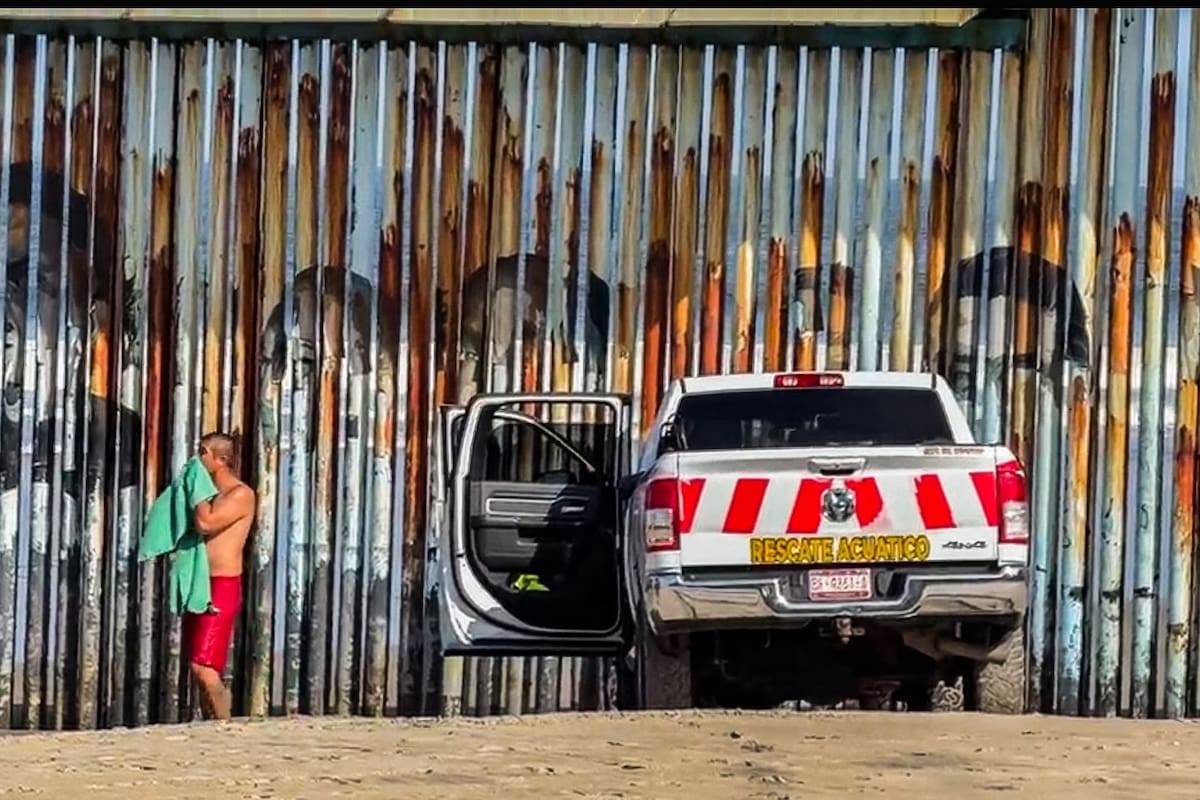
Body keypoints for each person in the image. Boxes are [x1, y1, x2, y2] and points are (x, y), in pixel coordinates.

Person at [187, 431, 256, 721]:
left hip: (222, 585)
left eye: (202, 452)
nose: (197, 459)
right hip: (199, 583)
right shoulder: (210, 496)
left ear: (221, 459)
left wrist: (196, 491)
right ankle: (212, 724)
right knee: (198, 664)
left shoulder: (240, 494)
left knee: (204, 666)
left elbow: (206, 523)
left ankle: (223, 724)